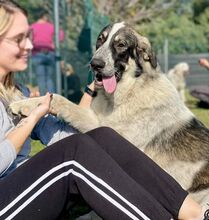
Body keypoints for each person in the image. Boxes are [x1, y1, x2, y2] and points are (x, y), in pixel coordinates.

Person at [0, 1, 207, 220]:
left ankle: (197, 214)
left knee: (105, 137)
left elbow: (67, 138)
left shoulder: (18, 92)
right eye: (18, 39)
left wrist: (88, 95)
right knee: (75, 153)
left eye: (28, 36)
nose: (31, 46)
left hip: (27, 189)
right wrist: (31, 120)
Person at [30, 9, 64, 95]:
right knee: (49, 78)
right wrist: (54, 44)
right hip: (49, 53)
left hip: (37, 53)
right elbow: (61, 34)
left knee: (41, 78)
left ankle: (43, 99)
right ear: (44, 16)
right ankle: (52, 98)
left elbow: (28, 38)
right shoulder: (51, 26)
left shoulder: (32, 27)